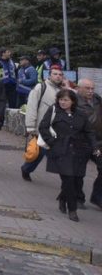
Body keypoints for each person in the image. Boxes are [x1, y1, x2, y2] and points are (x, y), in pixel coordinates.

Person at [39, 89, 100, 221]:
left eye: (66, 100)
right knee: (68, 179)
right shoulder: (54, 110)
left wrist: (94, 147)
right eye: (61, 99)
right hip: (61, 151)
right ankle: (72, 210)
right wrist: (52, 142)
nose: (63, 102)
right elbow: (43, 127)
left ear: (73, 101)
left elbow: (89, 132)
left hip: (79, 152)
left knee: (77, 180)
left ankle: (62, 197)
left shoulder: (81, 114)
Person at [22, 64, 68, 181]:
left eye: (60, 74)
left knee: (59, 155)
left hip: (57, 129)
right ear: (49, 75)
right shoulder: (41, 87)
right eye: (55, 74)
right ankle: (26, 169)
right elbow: (32, 107)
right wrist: (31, 126)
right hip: (42, 128)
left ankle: (67, 179)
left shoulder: (63, 91)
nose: (58, 77)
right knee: (39, 153)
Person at [76, 78, 102, 209]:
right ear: (79, 88)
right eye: (87, 88)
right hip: (81, 142)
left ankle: (98, 197)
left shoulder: (97, 99)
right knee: (79, 172)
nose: (91, 91)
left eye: (92, 88)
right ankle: (78, 197)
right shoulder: (73, 101)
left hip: (97, 143)